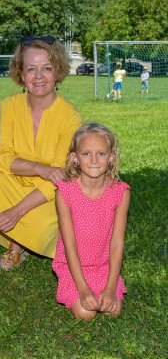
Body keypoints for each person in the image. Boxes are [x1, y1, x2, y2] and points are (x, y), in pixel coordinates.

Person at [0, 36, 81, 270]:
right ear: (21, 75)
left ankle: (16, 244)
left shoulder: (69, 116)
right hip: (14, 181)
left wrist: (17, 211)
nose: (39, 76)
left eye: (47, 68)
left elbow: (61, 174)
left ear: (57, 72)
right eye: (31, 69)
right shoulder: (8, 107)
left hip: (49, 192)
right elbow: (1, 156)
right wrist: (39, 168)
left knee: (47, 221)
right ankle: (23, 236)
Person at [52, 123, 130, 321]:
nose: (94, 160)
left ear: (111, 157)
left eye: (101, 154)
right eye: (86, 153)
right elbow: (68, 245)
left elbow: (117, 242)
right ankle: (78, 288)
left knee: (113, 310)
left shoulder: (120, 192)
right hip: (72, 266)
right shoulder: (65, 192)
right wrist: (84, 289)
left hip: (104, 265)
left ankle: (108, 286)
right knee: (86, 314)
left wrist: (111, 288)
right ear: (75, 158)